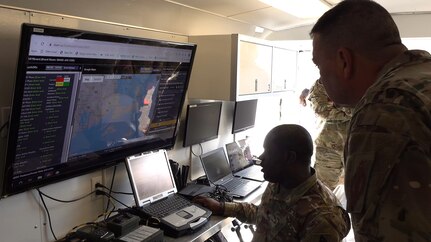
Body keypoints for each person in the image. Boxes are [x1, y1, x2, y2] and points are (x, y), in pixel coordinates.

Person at [310, 1, 431, 241]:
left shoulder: (384, 112)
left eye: (319, 65)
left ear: (344, 61)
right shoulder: (421, 79)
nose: (321, 77)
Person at [194, 124, 351, 242]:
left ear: (289, 158)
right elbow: (265, 215)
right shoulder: (280, 182)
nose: (260, 159)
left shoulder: (322, 217)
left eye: (268, 152)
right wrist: (221, 207)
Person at [308, 79, 352, 190]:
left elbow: (363, 109)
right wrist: (349, 108)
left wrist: (337, 104)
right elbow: (321, 109)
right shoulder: (326, 80)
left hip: (357, 146)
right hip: (327, 146)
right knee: (321, 189)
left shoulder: (369, 78)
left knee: (359, 191)